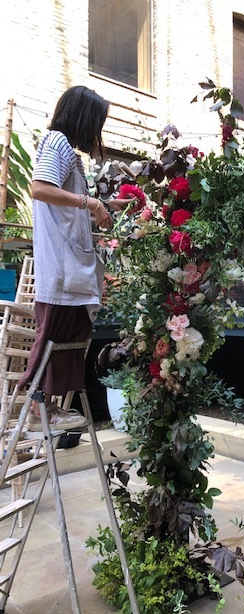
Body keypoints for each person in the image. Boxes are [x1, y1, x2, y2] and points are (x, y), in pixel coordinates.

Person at [19, 85, 132, 429]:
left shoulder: (69, 153)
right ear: (83, 118)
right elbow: (39, 188)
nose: (96, 130)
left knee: (71, 337)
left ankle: (50, 407)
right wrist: (93, 203)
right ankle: (38, 404)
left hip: (73, 266)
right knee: (55, 334)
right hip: (62, 266)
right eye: (96, 121)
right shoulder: (56, 143)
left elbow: (68, 203)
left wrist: (108, 205)